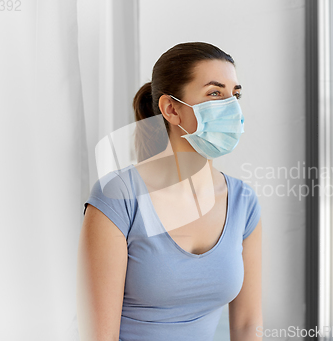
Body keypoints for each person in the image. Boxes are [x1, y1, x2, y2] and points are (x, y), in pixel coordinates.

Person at [77, 42, 262, 341]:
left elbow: (247, 326)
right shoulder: (118, 196)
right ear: (171, 109)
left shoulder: (243, 201)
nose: (232, 107)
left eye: (235, 94)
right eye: (215, 93)